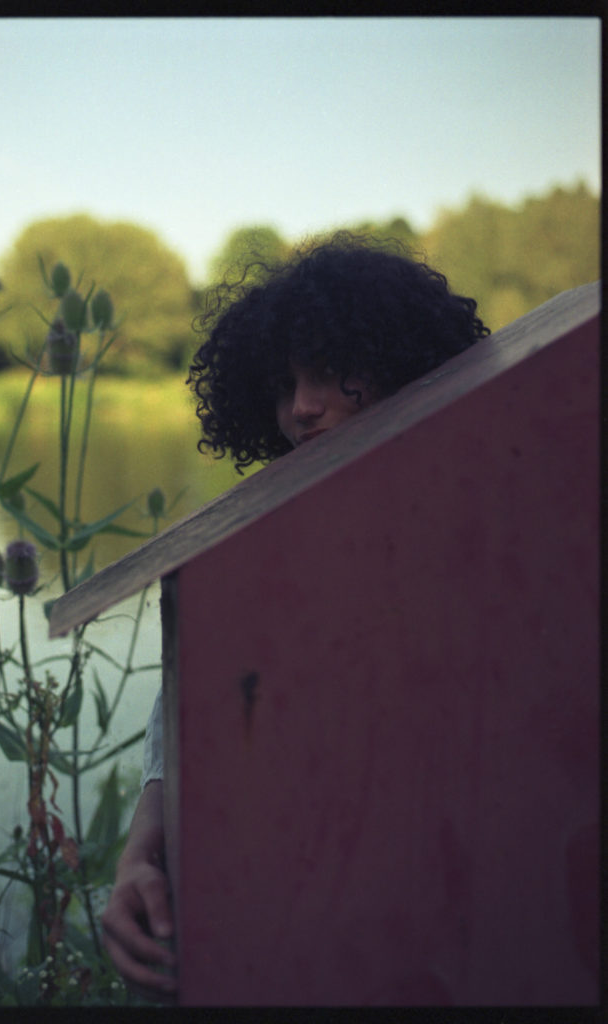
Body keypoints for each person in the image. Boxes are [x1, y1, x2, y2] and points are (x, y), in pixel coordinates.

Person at [100, 231, 490, 996]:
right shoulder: (264, 546)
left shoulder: (487, 516)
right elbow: (185, 699)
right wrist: (143, 845)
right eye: (283, 384)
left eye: (337, 373)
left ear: (410, 364)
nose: (302, 407)